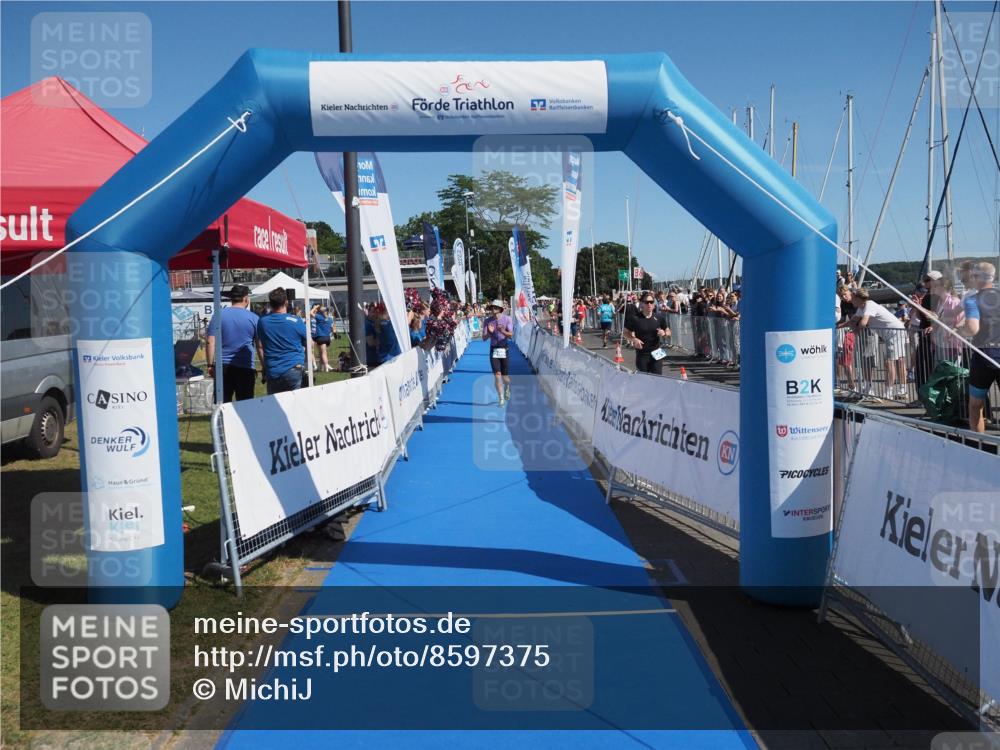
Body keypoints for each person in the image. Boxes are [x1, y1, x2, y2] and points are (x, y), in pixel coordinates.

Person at [958, 262, 1000, 433]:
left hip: (985, 355)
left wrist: (957, 330)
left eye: (973, 276)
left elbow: (972, 328)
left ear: (978, 278)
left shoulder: (973, 300)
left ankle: (979, 443)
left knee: (976, 404)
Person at [848, 288, 907, 399]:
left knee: (890, 362)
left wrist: (856, 329)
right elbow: (853, 321)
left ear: (858, 298)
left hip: (894, 332)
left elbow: (863, 323)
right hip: (891, 333)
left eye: (853, 298)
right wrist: (840, 326)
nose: (851, 300)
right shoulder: (862, 308)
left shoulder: (869, 305)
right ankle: (902, 389)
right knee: (899, 360)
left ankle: (889, 392)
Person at [206, 284, 259, 402]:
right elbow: (260, 346)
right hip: (245, 366)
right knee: (246, 405)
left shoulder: (218, 316)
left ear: (231, 299)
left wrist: (210, 364)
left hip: (222, 366)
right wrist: (264, 366)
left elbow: (210, 341)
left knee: (222, 404)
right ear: (246, 299)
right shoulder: (254, 318)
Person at [256, 288, 307, 394]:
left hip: (273, 371)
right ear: (286, 302)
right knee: (297, 406)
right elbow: (308, 342)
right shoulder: (296, 321)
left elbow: (260, 347)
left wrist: (264, 367)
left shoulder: (262, 322)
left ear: (270, 303)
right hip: (294, 369)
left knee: (275, 407)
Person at [624, 293, 671, 375]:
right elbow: (625, 332)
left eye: (651, 302)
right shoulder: (635, 318)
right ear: (642, 303)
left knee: (658, 379)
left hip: (656, 354)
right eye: (646, 302)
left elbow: (668, 331)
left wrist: (664, 333)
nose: (649, 304)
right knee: (643, 381)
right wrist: (634, 339)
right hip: (642, 354)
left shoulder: (659, 317)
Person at [482, 300, 513, 406]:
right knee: (497, 375)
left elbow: (511, 335)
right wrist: (490, 333)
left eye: (495, 307)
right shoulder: (487, 321)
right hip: (494, 349)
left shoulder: (507, 319)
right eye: (492, 307)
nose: (493, 309)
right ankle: (501, 398)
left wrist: (503, 331)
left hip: (504, 349)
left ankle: (507, 386)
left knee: (505, 377)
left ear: (500, 309)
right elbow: (484, 338)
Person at [310, 304, 334, 372]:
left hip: (321, 337)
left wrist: (314, 308)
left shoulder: (319, 317)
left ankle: (326, 366)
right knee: (322, 352)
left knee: (323, 353)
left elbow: (310, 313)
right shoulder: (330, 319)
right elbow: (331, 328)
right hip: (327, 337)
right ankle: (322, 367)